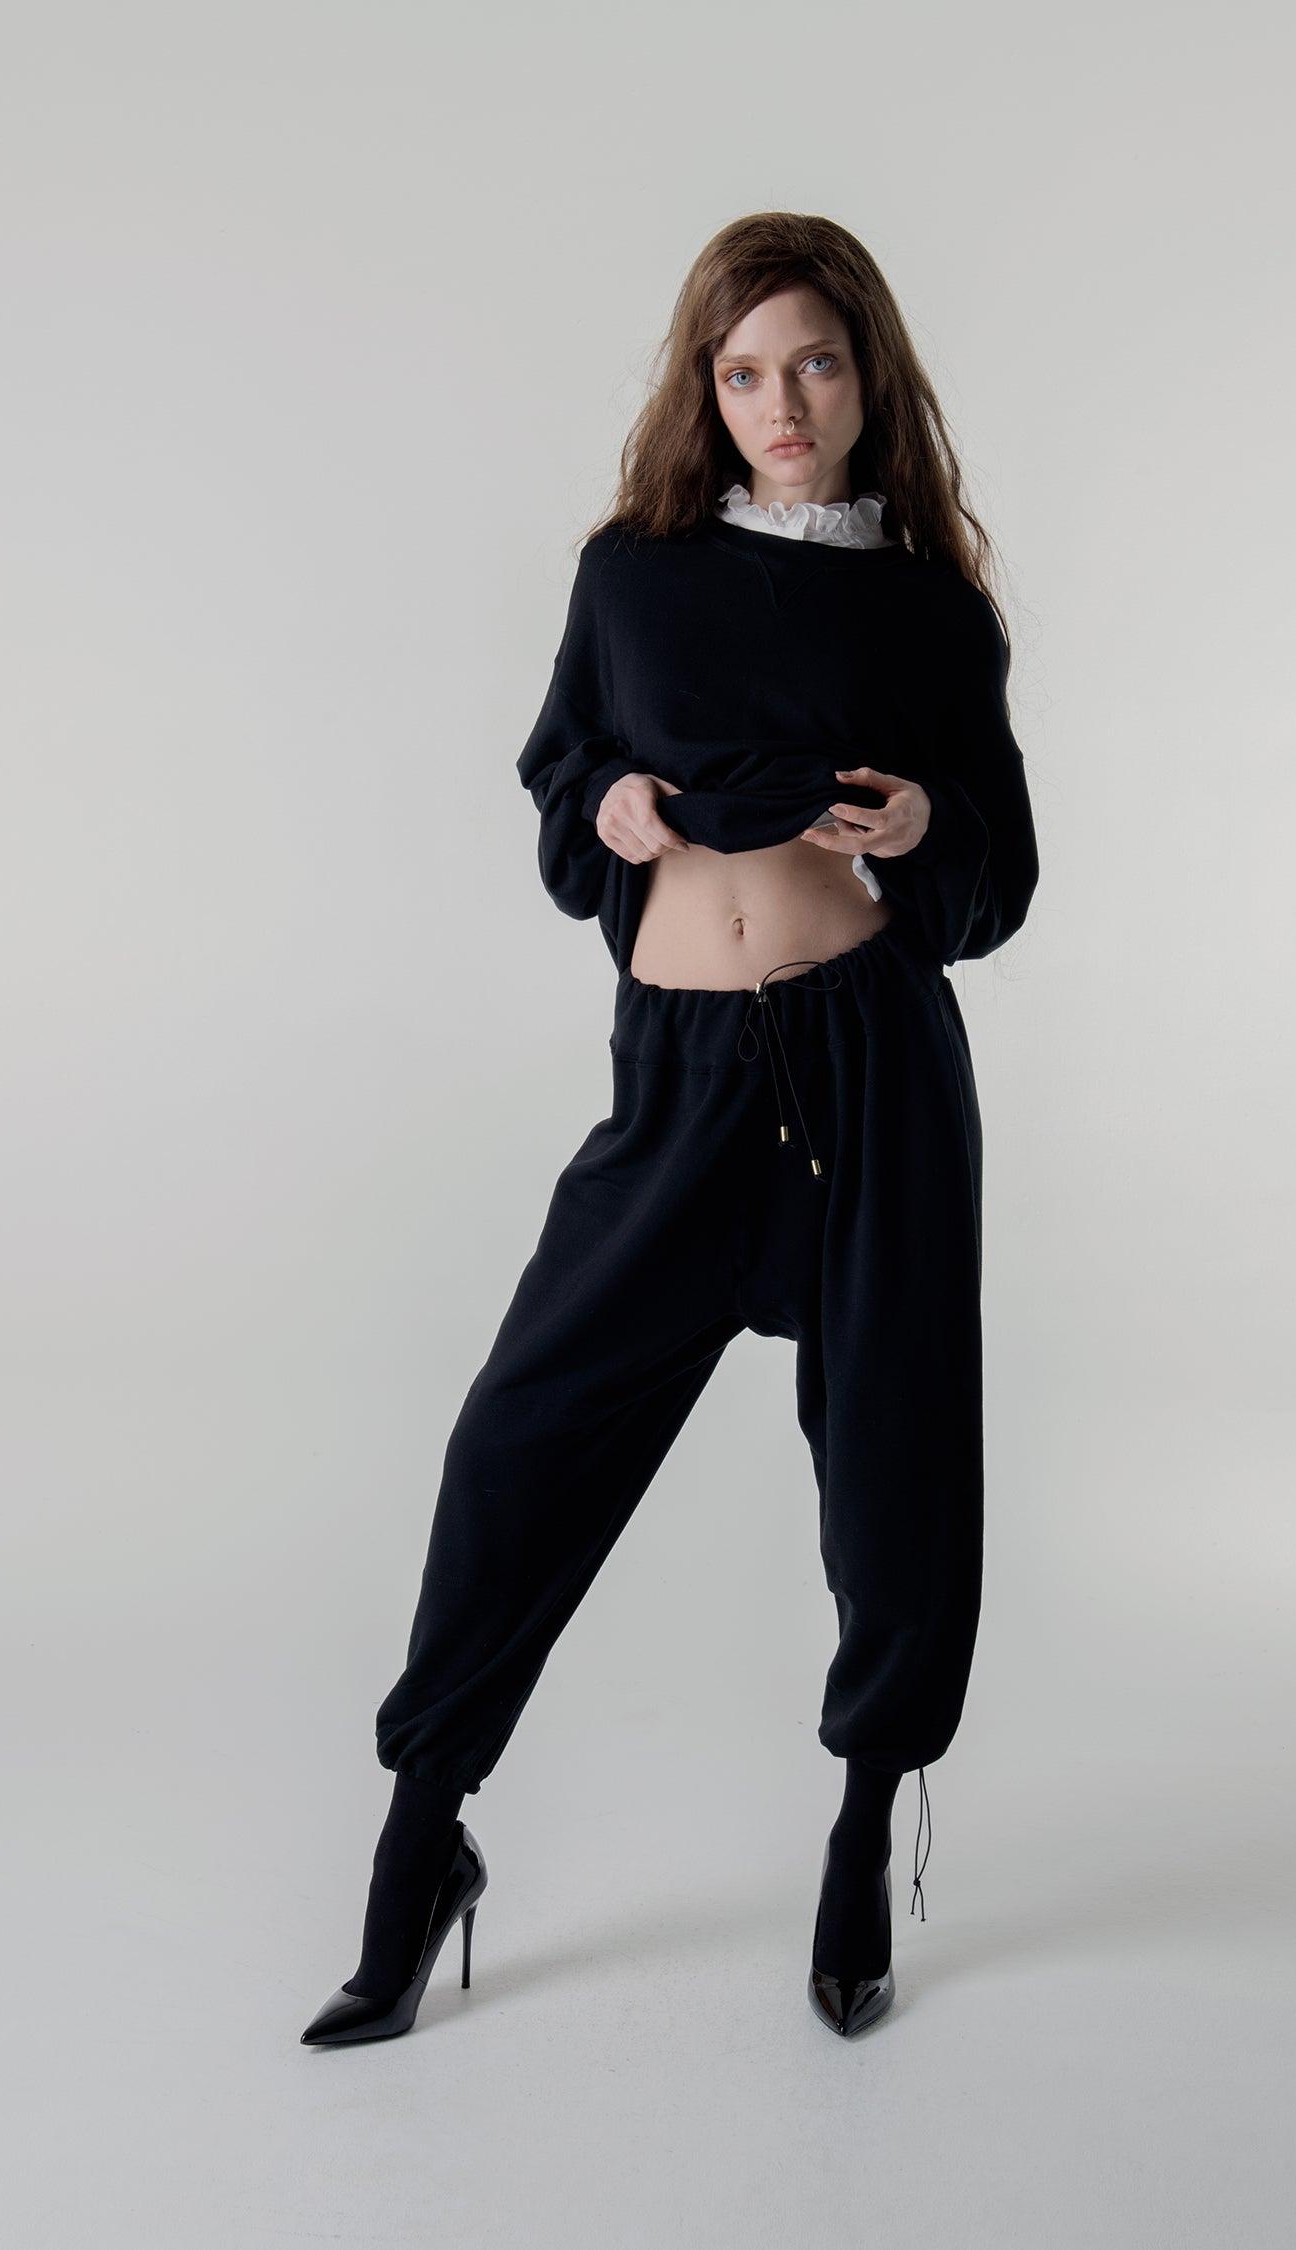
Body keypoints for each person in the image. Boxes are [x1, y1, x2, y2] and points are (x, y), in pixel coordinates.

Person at [301, 210, 1040, 2048]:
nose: (782, 402)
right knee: (524, 1441)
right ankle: (421, 1836)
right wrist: (616, 806)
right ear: (704, 391)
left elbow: (1001, 871)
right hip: (685, 1084)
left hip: (871, 1069)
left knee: (896, 1466)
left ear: (868, 378)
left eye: (815, 363)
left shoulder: (932, 611)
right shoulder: (631, 579)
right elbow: (565, 779)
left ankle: (863, 1826)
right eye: (745, 371)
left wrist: (922, 827)